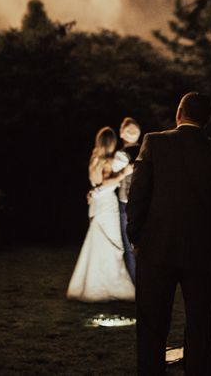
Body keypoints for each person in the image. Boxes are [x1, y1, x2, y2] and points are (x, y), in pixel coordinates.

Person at [126, 92, 211, 376]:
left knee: (151, 324)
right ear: (208, 120)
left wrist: (136, 235)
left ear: (179, 113)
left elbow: (138, 195)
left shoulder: (155, 142)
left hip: (156, 246)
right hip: (201, 249)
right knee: (200, 324)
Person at [67, 126, 135, 302]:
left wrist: (93, 192)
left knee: (99, 244)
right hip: (107, 206)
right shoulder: (107, 161)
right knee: (114, 244)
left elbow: (97, 184)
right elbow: (106, 182)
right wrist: (124, 173)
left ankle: (94, 285)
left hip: (97, 205)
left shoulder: (94, 158)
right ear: (112, 143)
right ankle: (110, 286)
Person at [115, 117, 141, 282]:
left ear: (121, 133)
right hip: (142, 201)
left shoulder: (120, 155)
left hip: (125, 202)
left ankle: (137, 285)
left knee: (129, 246)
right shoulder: (145, 150)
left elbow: (112, 178)